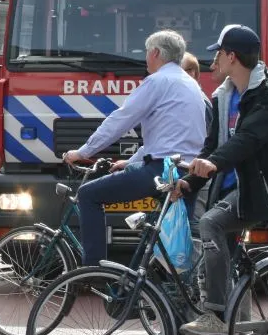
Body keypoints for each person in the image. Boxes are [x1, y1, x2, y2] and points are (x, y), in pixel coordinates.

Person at [177, 25, 268, 335]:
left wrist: (213, 163)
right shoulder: (223, 96)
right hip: (230, 190)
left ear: (232, 56)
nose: (213, 59)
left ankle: (214, 314)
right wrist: (189, 182)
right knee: (212, 271)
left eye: (218, 53)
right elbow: (212, 146)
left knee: (211, 224)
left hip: (259, 192)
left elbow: (249, 139)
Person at [63, 30, 208, 266]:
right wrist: (130, 162)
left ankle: (93, 271)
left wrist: (82, 152)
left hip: (162, 171)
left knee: (88, 195)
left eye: (147, 52)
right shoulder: (190, 85)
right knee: (163, 243)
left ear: (156, 53)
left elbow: (121, 120)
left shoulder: (157, 81)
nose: (145, 58)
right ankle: (164, 285)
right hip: (188, 174)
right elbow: (166, 139)